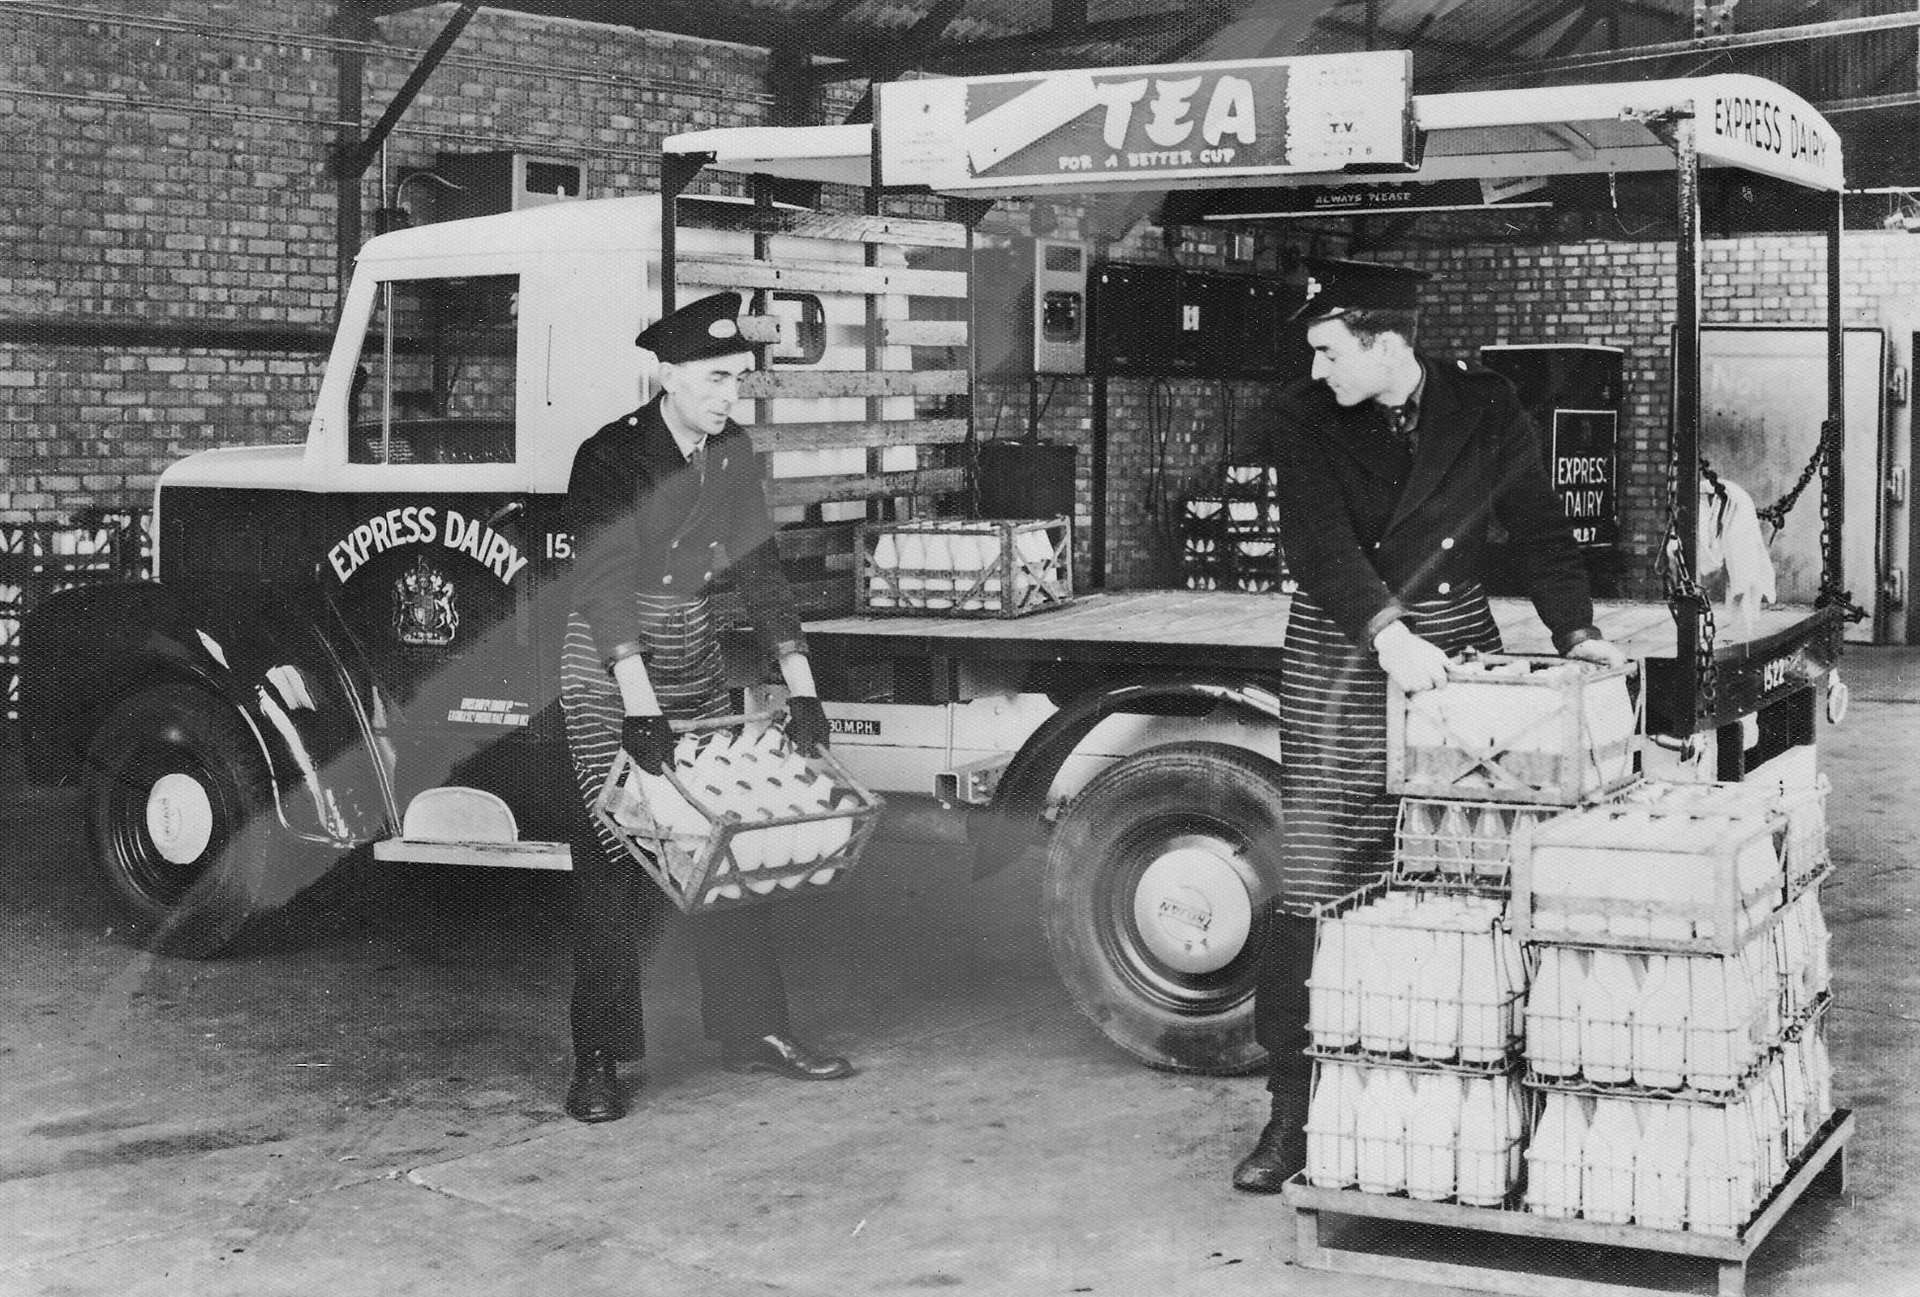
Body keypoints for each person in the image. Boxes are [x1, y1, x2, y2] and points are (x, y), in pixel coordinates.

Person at [1231, 258, 1626, 1190]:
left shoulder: (1486, 406)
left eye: (1330, 349)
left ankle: (1478, 1114)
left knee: (1468, 866)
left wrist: (1578, 632)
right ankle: (1293, 1114)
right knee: (1321, 877)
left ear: (1386, 340)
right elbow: (1317, 540)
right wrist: (1383, 631)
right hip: (1343, 644)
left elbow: (1537, 525)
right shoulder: (1301, 415)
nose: (1318, 367)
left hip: (1454, 643)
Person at [558, 289, 853, 1124]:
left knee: (725, 846)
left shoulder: (730, 452)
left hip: (687, 646)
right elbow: (605, 585)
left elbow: (760, 570)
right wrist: (638, 707)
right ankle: (598, 1057)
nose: (731, 395)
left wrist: (801, 685)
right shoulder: (609, 456)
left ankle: (754, 1027)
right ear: (672, 375)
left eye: (740, 380)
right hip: (608, 663)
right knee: (616, 851)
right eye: (718, 378)